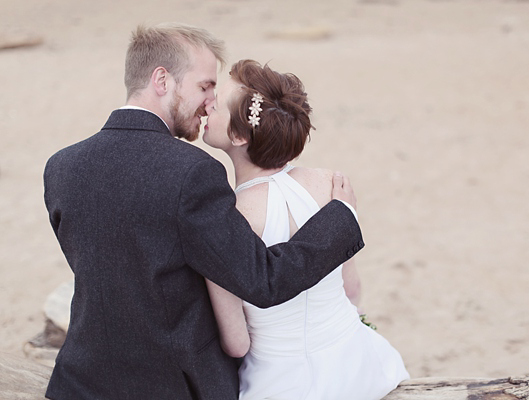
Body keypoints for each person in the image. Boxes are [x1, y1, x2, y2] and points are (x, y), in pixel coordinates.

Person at [42, 23, 364, 400]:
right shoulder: (192, 172)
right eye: (204, 86)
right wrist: (341, 217)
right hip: (174, 386)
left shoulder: (61, 167)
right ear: (162, 80)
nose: (209, 102)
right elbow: (263, 280)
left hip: (80, 382)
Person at [203, 59, 410, 400]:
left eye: (217, 102)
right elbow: (352, 290)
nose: (208, 103)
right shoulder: (331, 184)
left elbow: (237, 343)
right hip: (358, 366)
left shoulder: (228, 220)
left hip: (280, 383)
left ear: (240, 136)